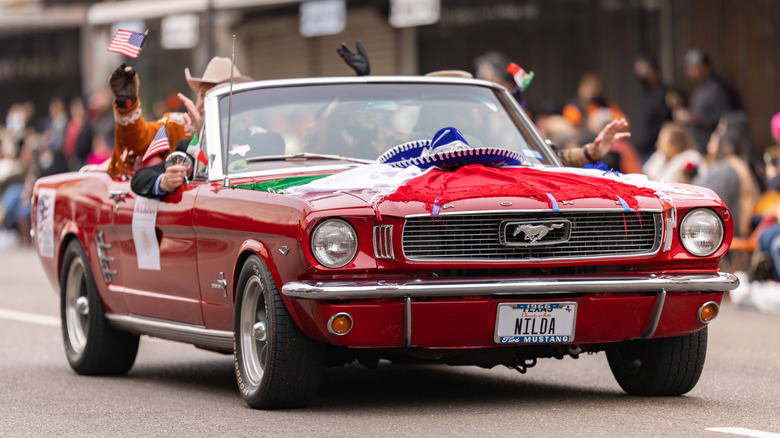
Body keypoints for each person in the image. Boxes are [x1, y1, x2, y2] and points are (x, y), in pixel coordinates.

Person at [108, 56, 252, 180]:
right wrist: (127, 103)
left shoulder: (253, 136)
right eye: (202, 95)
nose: (203, 104)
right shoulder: (176, 124)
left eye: (214, 96)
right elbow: (139, 139)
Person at [692, 111, 759, 238]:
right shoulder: (732, 163)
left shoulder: (730, 167)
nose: (713, 135)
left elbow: (710, 202)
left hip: (733, 231)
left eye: (720, 131)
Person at [671, 49, 733, 152]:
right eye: (688, 68)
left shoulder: (717, 88)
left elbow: (725, 116)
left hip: (710, 145)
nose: (689, 71)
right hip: (696, 143)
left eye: (693, 67)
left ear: (705, 66)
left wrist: (699, 119)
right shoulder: (699, 87)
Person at [633, 56, 672, 162]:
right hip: (643, 148)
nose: (641, 77)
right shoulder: (646, 93)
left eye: (644, 72)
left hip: (656, 149)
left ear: (654, 71)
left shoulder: (665, 94)